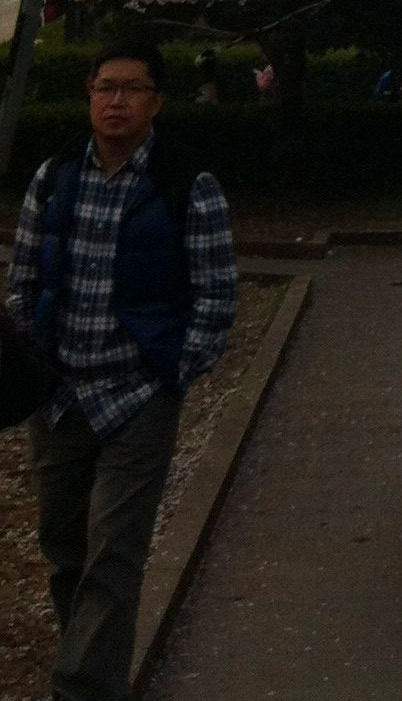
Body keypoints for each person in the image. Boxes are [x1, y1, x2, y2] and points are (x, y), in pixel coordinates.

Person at [5, 38, 238, 701]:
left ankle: (80, 689)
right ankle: (90, 661)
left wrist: (175, 371)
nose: (117, 100)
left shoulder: (184, 184)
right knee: (63, 549)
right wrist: (29, 354)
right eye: (106, 87)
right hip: (59, 396)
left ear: (155, 101)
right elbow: (22, 279)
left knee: (113, 553)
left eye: (133, 88)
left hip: (136, 398)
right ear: (89, 96)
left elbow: (217, 292)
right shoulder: (54, 178)